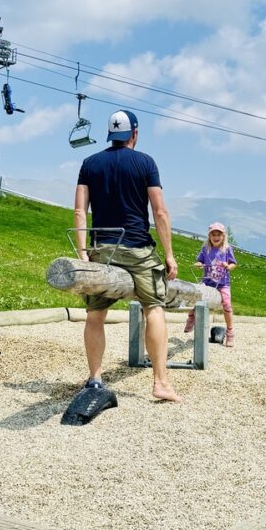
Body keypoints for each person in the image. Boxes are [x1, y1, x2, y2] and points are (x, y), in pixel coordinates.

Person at [73, 109, 181, 403]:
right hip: (137, 250)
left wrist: (83, 252)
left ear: (111, 134)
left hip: (103, 250)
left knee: (95, 315)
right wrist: (169, 255)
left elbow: (80, 210)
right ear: (135, 133)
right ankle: (160, 383)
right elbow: (160, 211)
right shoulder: (146, 162)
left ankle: (95, 378)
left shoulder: (90, 163)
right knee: (154, 308)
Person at [183, 223, 238, 346]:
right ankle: (191, 317)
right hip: (208, 281)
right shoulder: (206, 248)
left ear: (223, 236)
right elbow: (200, 260)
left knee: (227, 305)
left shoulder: (227, 249)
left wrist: (228, 266)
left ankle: (230, 332)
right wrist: (198, 264)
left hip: (222, 283)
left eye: (219, 235)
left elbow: (233, 263)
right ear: (209, 236)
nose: (216, 237)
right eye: (213, 234)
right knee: (197, 295)